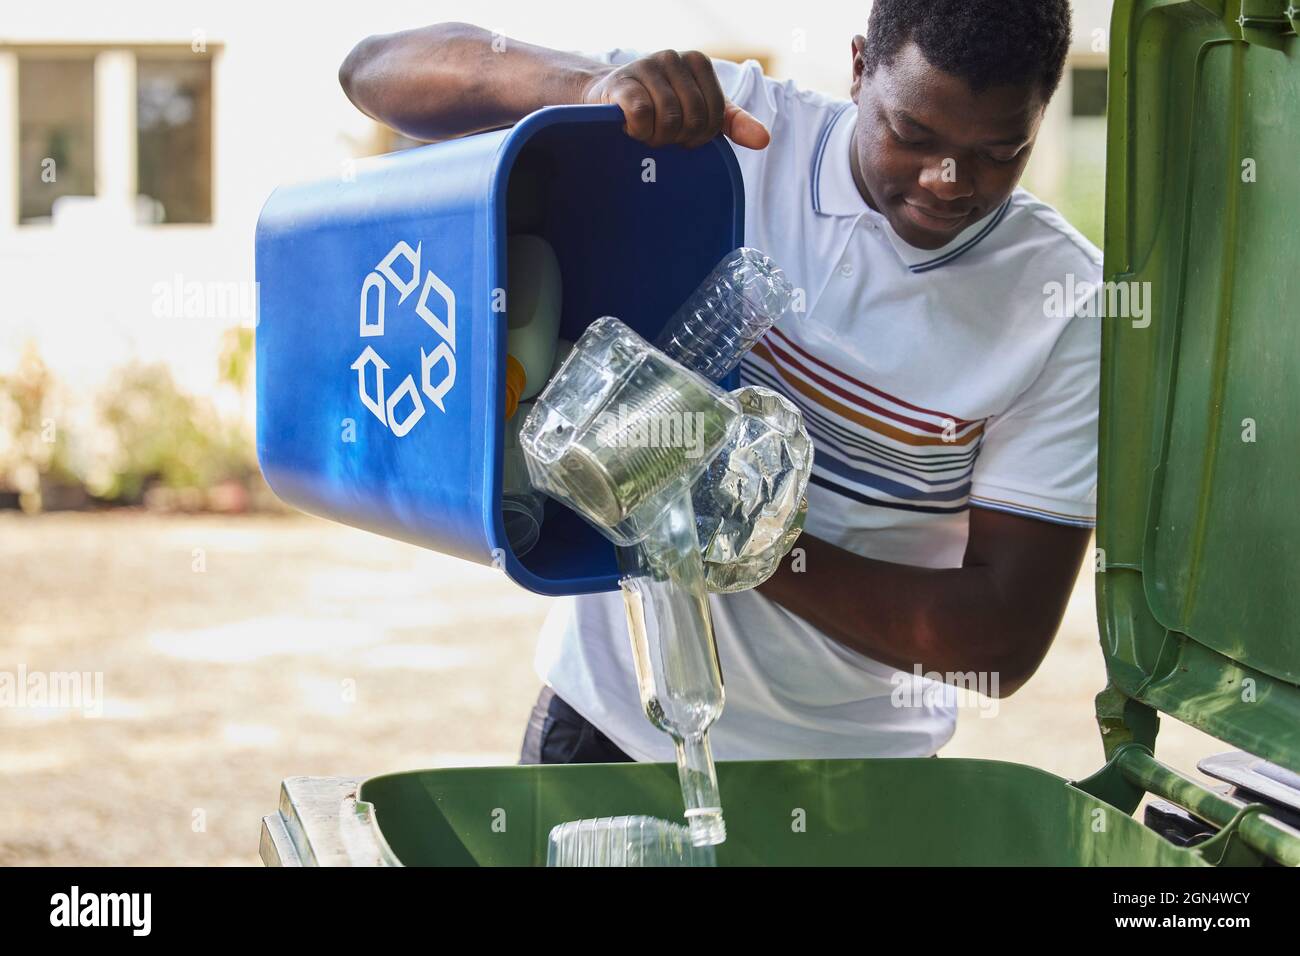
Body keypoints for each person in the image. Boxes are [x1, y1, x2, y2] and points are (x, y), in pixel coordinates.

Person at [339, 0, 1101, 765]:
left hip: (860, 772)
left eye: (1001, 151)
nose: (948, 181)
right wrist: (593, 88)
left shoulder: (1060, 300)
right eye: (913, 135)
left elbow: (1000, 639)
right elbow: (374, 71)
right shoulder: (723, 130)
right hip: (613, 727)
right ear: (861, 66)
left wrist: (749, 538)